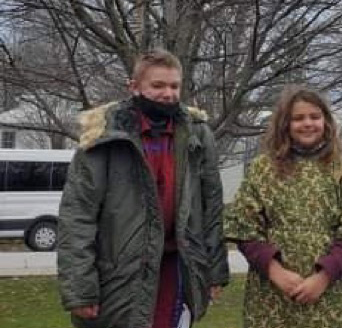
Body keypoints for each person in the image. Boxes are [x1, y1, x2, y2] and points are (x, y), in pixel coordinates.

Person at [57, 49, 229, 328]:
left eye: (174, 86)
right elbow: (77, 217)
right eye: (157, 86)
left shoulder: (197, 134)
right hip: (119, 274)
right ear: (134, 86)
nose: (168, 94)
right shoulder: (102, 137)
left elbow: (211, 206)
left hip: (177, 269)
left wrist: (215, 271)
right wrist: (80, 288)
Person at [223, 86, 342, 328]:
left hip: (326, 295)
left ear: (326, 122)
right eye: (298, 118)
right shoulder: (263, 169)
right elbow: (244, 228)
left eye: (315, 117)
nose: (308, 123)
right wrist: (276, 271)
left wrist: (323, 276)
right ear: (285, 124)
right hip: (271, 296)